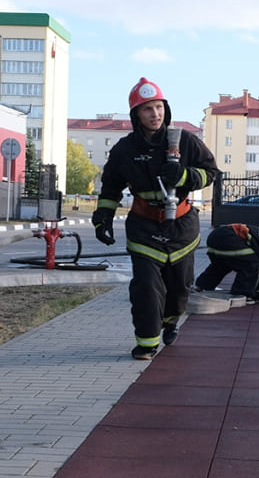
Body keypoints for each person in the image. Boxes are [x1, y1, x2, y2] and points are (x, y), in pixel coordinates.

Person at [91, 77, 218, 360]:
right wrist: (103, 218)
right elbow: (110, 186)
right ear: (136, 114)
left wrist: (185, 176)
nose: (155, 114)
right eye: (147, 109)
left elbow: (211, 172)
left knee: (179, 288)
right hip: (144, 226)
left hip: (182, 227)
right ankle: (147, 343)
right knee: (147, 287)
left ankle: (171, 319)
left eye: (159, 107)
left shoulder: (185, 140)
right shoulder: (125, 149)